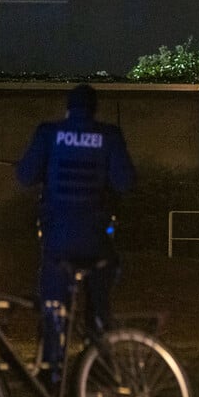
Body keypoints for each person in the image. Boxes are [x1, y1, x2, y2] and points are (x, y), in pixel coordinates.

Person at [16, 84, 136, 375]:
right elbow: (126, 182)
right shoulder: (109, 136)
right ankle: (99, 365)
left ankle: (52, 371)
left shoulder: (49, 133)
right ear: (94, 109)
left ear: (67, 108)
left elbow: (24, 176)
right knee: (98, 304)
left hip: (57, 238)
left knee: (53, 306)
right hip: (96, 238)